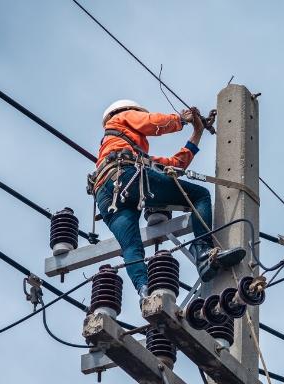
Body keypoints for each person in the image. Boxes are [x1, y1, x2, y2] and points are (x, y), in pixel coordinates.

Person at [92, 99, 245, 300]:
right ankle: (203, 252)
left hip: (104, 195)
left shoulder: (122, 151)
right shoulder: (121, 117)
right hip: (125, 176)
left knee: (131, 246)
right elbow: (150, 122)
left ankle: (144, 291)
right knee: (199, 195)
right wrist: (181, 119)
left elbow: (174, 164)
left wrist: (197, 133)